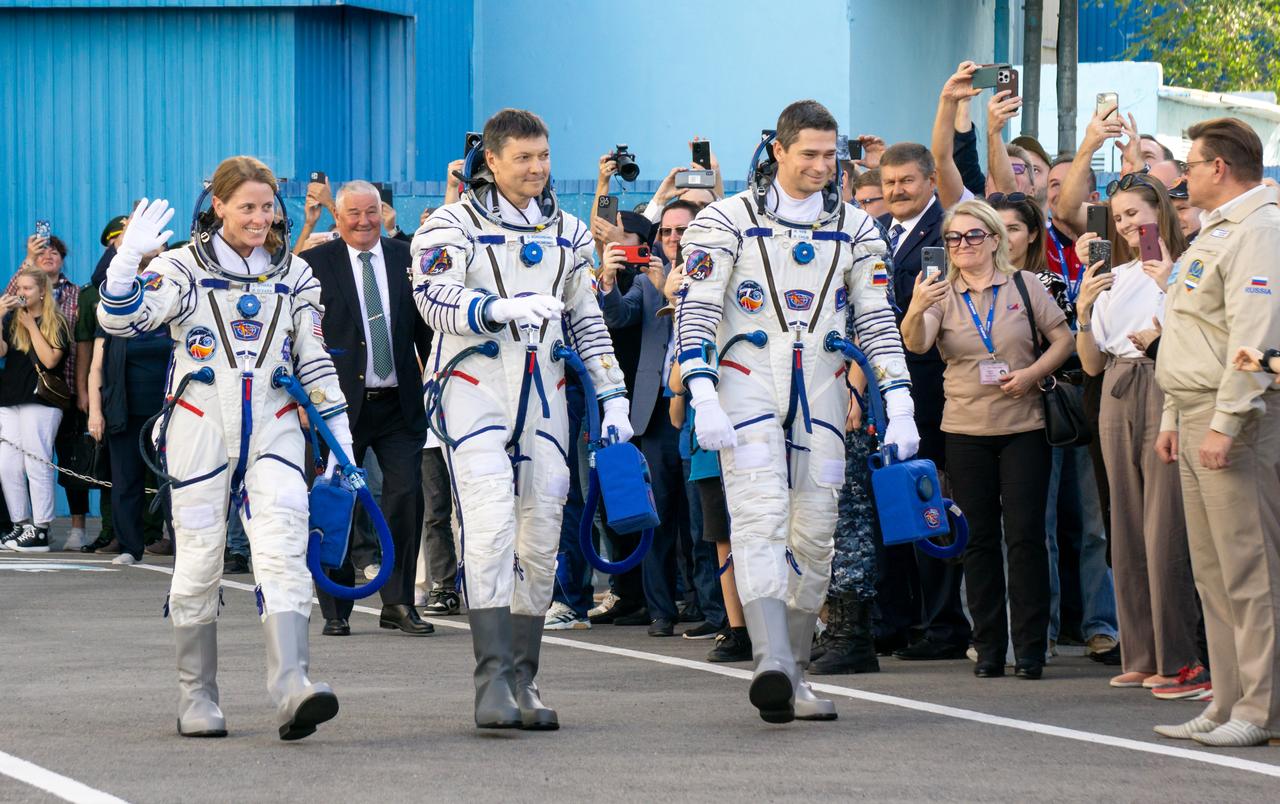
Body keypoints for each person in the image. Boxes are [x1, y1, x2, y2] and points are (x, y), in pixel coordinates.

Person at [676, 100, 918, 723]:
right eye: (806, 154)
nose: (820, 166)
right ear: (778, 151)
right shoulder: (726, 221)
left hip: (824, 392)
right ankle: (773, 661)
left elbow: (877, 319)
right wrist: (702, 393)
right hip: (747, 387)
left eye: (828, 155)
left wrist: (899, 398)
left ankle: (795, 671)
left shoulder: (859, 230)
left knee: (815, 533)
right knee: (759, 518)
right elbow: (696, 315)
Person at [97, 156, 352, 741]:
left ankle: (293, 686)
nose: (260, 219)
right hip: (199, 422)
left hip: (274, 419)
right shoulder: (182, 268)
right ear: (218, 206)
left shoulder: (295, 275)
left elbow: (314, 361)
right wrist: (124, 265)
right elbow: (124, 319)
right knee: (200, 557)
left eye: (267, 207)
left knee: (285, 539)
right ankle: (198, 695)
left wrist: (341, 442)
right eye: (247, 207)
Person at [411, 108, 632, 731]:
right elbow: (431, 298)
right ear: (492, 160)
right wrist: (496, 307)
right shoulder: (450, 226)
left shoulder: (566, 230)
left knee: (540, 536)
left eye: (543, 157)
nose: (536, 168)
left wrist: (612, 395)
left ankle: (523, 679)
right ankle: (490, 683)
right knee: (488, 525)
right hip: (474, 386)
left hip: (544, 391)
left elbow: (585, 317)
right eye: (523, 158)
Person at [900, 199, 1073, 680]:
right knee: (976, 541)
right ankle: (991, 646)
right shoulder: (942, 292)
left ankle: (1032, 648)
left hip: (1024, 427)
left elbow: (1064, 340)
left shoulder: (1024, 284)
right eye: (954, 239)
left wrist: (1032, 374)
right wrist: (917, 305)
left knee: (1024, 538)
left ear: (995, 239)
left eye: (973, 236)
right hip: (965, 429)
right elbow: (916, 343)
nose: (962, 246)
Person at [1153, 118, 1280, 747]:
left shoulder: (1261, 229)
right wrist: (1176, 414)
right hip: (1196, 407)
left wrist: (1227, 422)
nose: (1185, 175)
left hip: (1238, 417)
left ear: (1220, 169)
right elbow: (1193, 328)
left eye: (1192, 163)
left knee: (1250, 568)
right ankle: (1227, 701)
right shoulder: (1219, 230)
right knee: (1213, 570)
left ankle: (1261, 709)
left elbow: (1252, 337)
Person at [1072, 175, 1202, 695]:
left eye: (1135, 214)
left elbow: (1197, 329)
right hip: (1116, 390)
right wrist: (1084, 308)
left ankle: (1180, 657)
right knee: (1123, 526)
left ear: (1161, 211)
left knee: (1164, 527)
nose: (1127, 226)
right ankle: (1142, 653)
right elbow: (1092, 363)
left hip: (1166, 384)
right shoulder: (1114, 275)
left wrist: (1170, 281)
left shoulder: (1190, 265)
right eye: (1119, 216)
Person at [988, 192, 1119, 663]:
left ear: (1032, 234)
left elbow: (1071, 341)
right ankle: (1037, 629)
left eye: (1015, 228)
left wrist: (1034, 371)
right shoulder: (975, 286)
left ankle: (1101, 625)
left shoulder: (1050, 281)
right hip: (1017, 415)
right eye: (996, 227)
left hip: (1067, 406)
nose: (1005, 237)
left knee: (1091, 525)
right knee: (1033, 528)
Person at [302, 180, 434, 638]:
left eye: (372, 213)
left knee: (404, 500)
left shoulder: (407, 258)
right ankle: (336, 605)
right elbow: (299, 338)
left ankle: (397, 602)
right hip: (338, 409)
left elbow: (426, 329)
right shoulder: (314, 265)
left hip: (399, 405)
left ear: (384, 213)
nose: (364, 222)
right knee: (337, 502)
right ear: (337, 218)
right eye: (353, 214)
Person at [877, 141, 972, 661]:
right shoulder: (875, 234)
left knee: (929, 501)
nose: (896, 191)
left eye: (906, 181)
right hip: (884, 387)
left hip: (932, 388)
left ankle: (943, 627)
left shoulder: (949, 234)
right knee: (889, 499)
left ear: (930, 181)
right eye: (889, 183)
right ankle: (899, 619)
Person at [87, 237, 174, 566]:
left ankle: (183, 542)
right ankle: (129, 547)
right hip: (124, 409)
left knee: (172, 479)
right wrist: (96, 412)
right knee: (126, 480)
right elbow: (96, 367)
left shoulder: (171, 311)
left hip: (169, 411)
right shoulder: (114, 313)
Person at [0, 268, 69, 552]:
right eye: (20, 287)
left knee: (37, 463)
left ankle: (42, 527)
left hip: (41, 401)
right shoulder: (11, 319)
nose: (22, 292)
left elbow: (51, 359)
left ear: (42, 291)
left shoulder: (57, 321)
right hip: (9, 398)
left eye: (28, 288)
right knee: (7, 465)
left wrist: (31, 327)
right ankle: (21, 523)